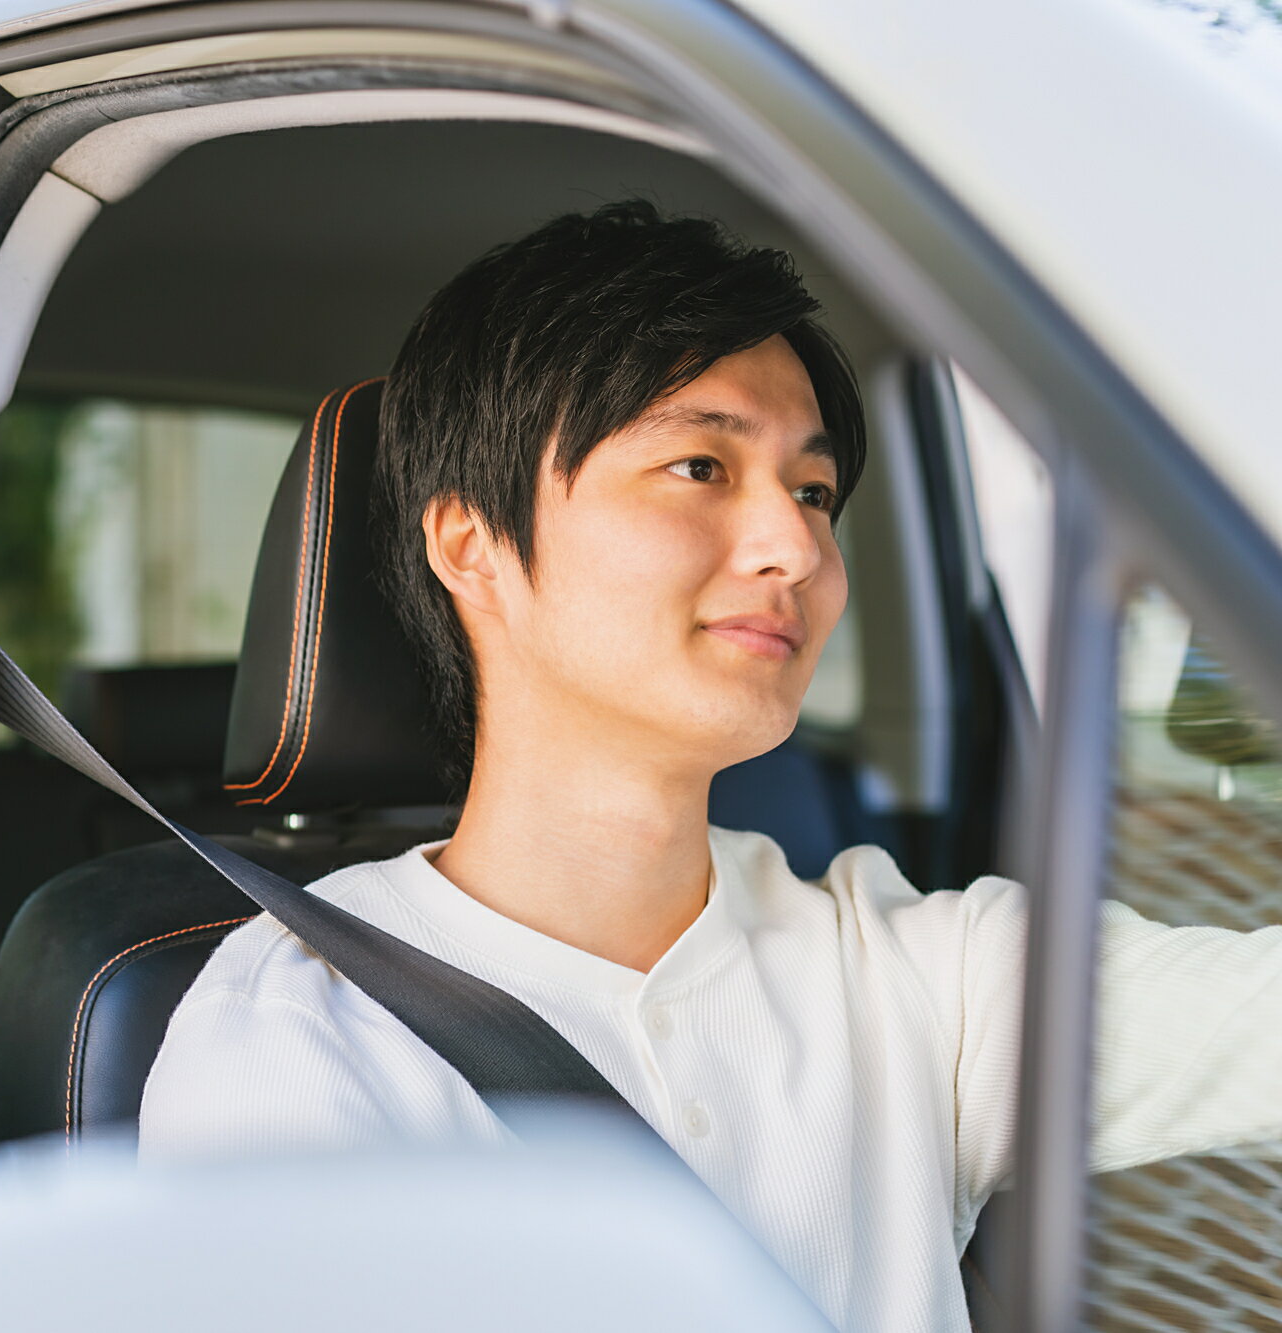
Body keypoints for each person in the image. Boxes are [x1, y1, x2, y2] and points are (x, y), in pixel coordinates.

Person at [135, 202, 1282, 1332]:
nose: (796, 546)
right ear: (469, 545)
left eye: (813, 491)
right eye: (698, 465)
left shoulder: (913, 975)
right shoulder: (293, 1043)